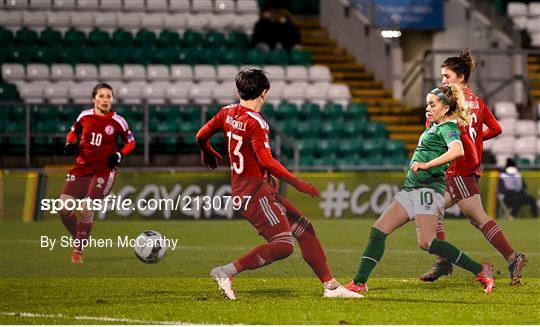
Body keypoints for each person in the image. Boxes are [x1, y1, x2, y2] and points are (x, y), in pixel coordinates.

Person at [196, 69, 361, 300]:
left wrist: (206, 150)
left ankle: (331, 287)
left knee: (305, 229)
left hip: (251, 191)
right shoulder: (257, 123)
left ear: (238, 91)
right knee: (284, 245)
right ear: (264, 93)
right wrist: (296, 183)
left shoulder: (226, 113)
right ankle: (225, 272)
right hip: (255, 194)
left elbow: (200, 135)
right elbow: (266, 160)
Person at [345, 84, 495, 294]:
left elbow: (458, 150)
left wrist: (426, 165)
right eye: (427, 104)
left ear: (445, 108)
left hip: (428, 189)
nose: (428, 108)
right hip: (411, 188)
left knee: (427, 242)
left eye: (432, 104)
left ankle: (480, 270)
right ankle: (359, 282)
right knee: (378, 231)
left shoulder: (449, 127)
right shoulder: (435, 126)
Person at [418, 50, 527, 285]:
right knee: (436, 210)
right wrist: (477, 141)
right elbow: (496, 129)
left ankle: (508, 257)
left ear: (460, 76)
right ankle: (445, 261)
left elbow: (435, 132)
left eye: (446, 76)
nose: (443, 81)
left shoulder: (448, 102)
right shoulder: (478, 101)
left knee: (470, 217)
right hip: (468, 169)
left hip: (456, 170)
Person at [60, 83, 136, 264]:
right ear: (94, 99)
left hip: (103, 170)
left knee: (87, 207)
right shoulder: (84, 116)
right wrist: (70, 144)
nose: (105, 99)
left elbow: (131, 142)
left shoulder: (118, 121)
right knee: (63, 207)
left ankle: (78, 251)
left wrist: (119, 154)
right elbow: (72, 133)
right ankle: (80, 235)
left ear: (112, 99)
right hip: (81, 168)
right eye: (101, 96)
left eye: (109, 96)